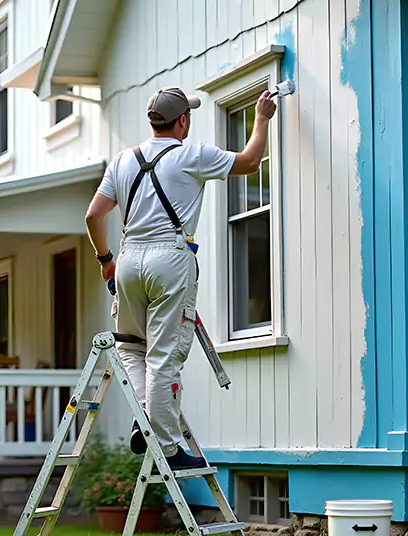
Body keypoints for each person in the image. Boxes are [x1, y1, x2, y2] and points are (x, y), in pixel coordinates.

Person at [84, 86, 277, 470]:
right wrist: (261, 118)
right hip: (169, 258)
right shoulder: (192, 153)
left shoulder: (123, 160)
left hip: (127, 258)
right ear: (183, 120)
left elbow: (93, 216)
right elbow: (251, 162)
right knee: (163, 356)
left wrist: (106, 259)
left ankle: (146, 422)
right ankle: (169, 450)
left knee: (131, 347)